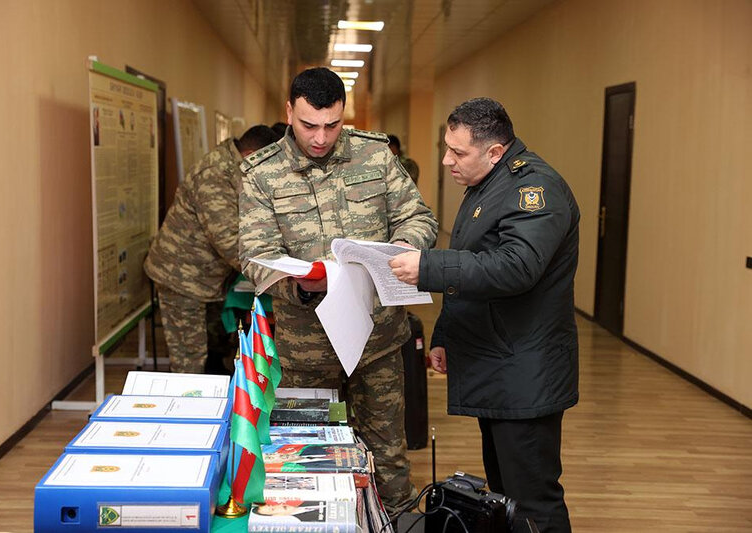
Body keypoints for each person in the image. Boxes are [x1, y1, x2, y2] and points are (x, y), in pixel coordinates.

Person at [239, 67, 438, 513]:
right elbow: (254, 256)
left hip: (379, 343)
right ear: (288, 112)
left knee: (389, 465)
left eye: (333, 124)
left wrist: (406, 245)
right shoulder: (261, 174)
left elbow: (419, 216)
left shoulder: (376, 155)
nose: (321, 138)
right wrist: (302, 286)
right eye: (309, 125)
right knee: (307, 470)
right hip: (307, 353)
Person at [389, 97, 579, 533]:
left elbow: (516, 266)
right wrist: (446, 334)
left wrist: (426, 267)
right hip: (500, 362)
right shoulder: (490, 183)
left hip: (525, 371)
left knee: (533, 502)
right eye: (446, 147)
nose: (446, 160)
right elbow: (473, 264)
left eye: (458, 152)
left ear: (495, 151)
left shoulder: (537, 190)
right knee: (505, 494)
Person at [144, 125, 280, 374]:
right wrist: (276, 274)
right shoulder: (215, 174)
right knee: (190, 359)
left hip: (208, 278)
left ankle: (212, 404)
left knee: (214, 350)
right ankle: (186, 409)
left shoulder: (234, 168)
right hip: (181, 278)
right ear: (253, 154)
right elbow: (229, 241)